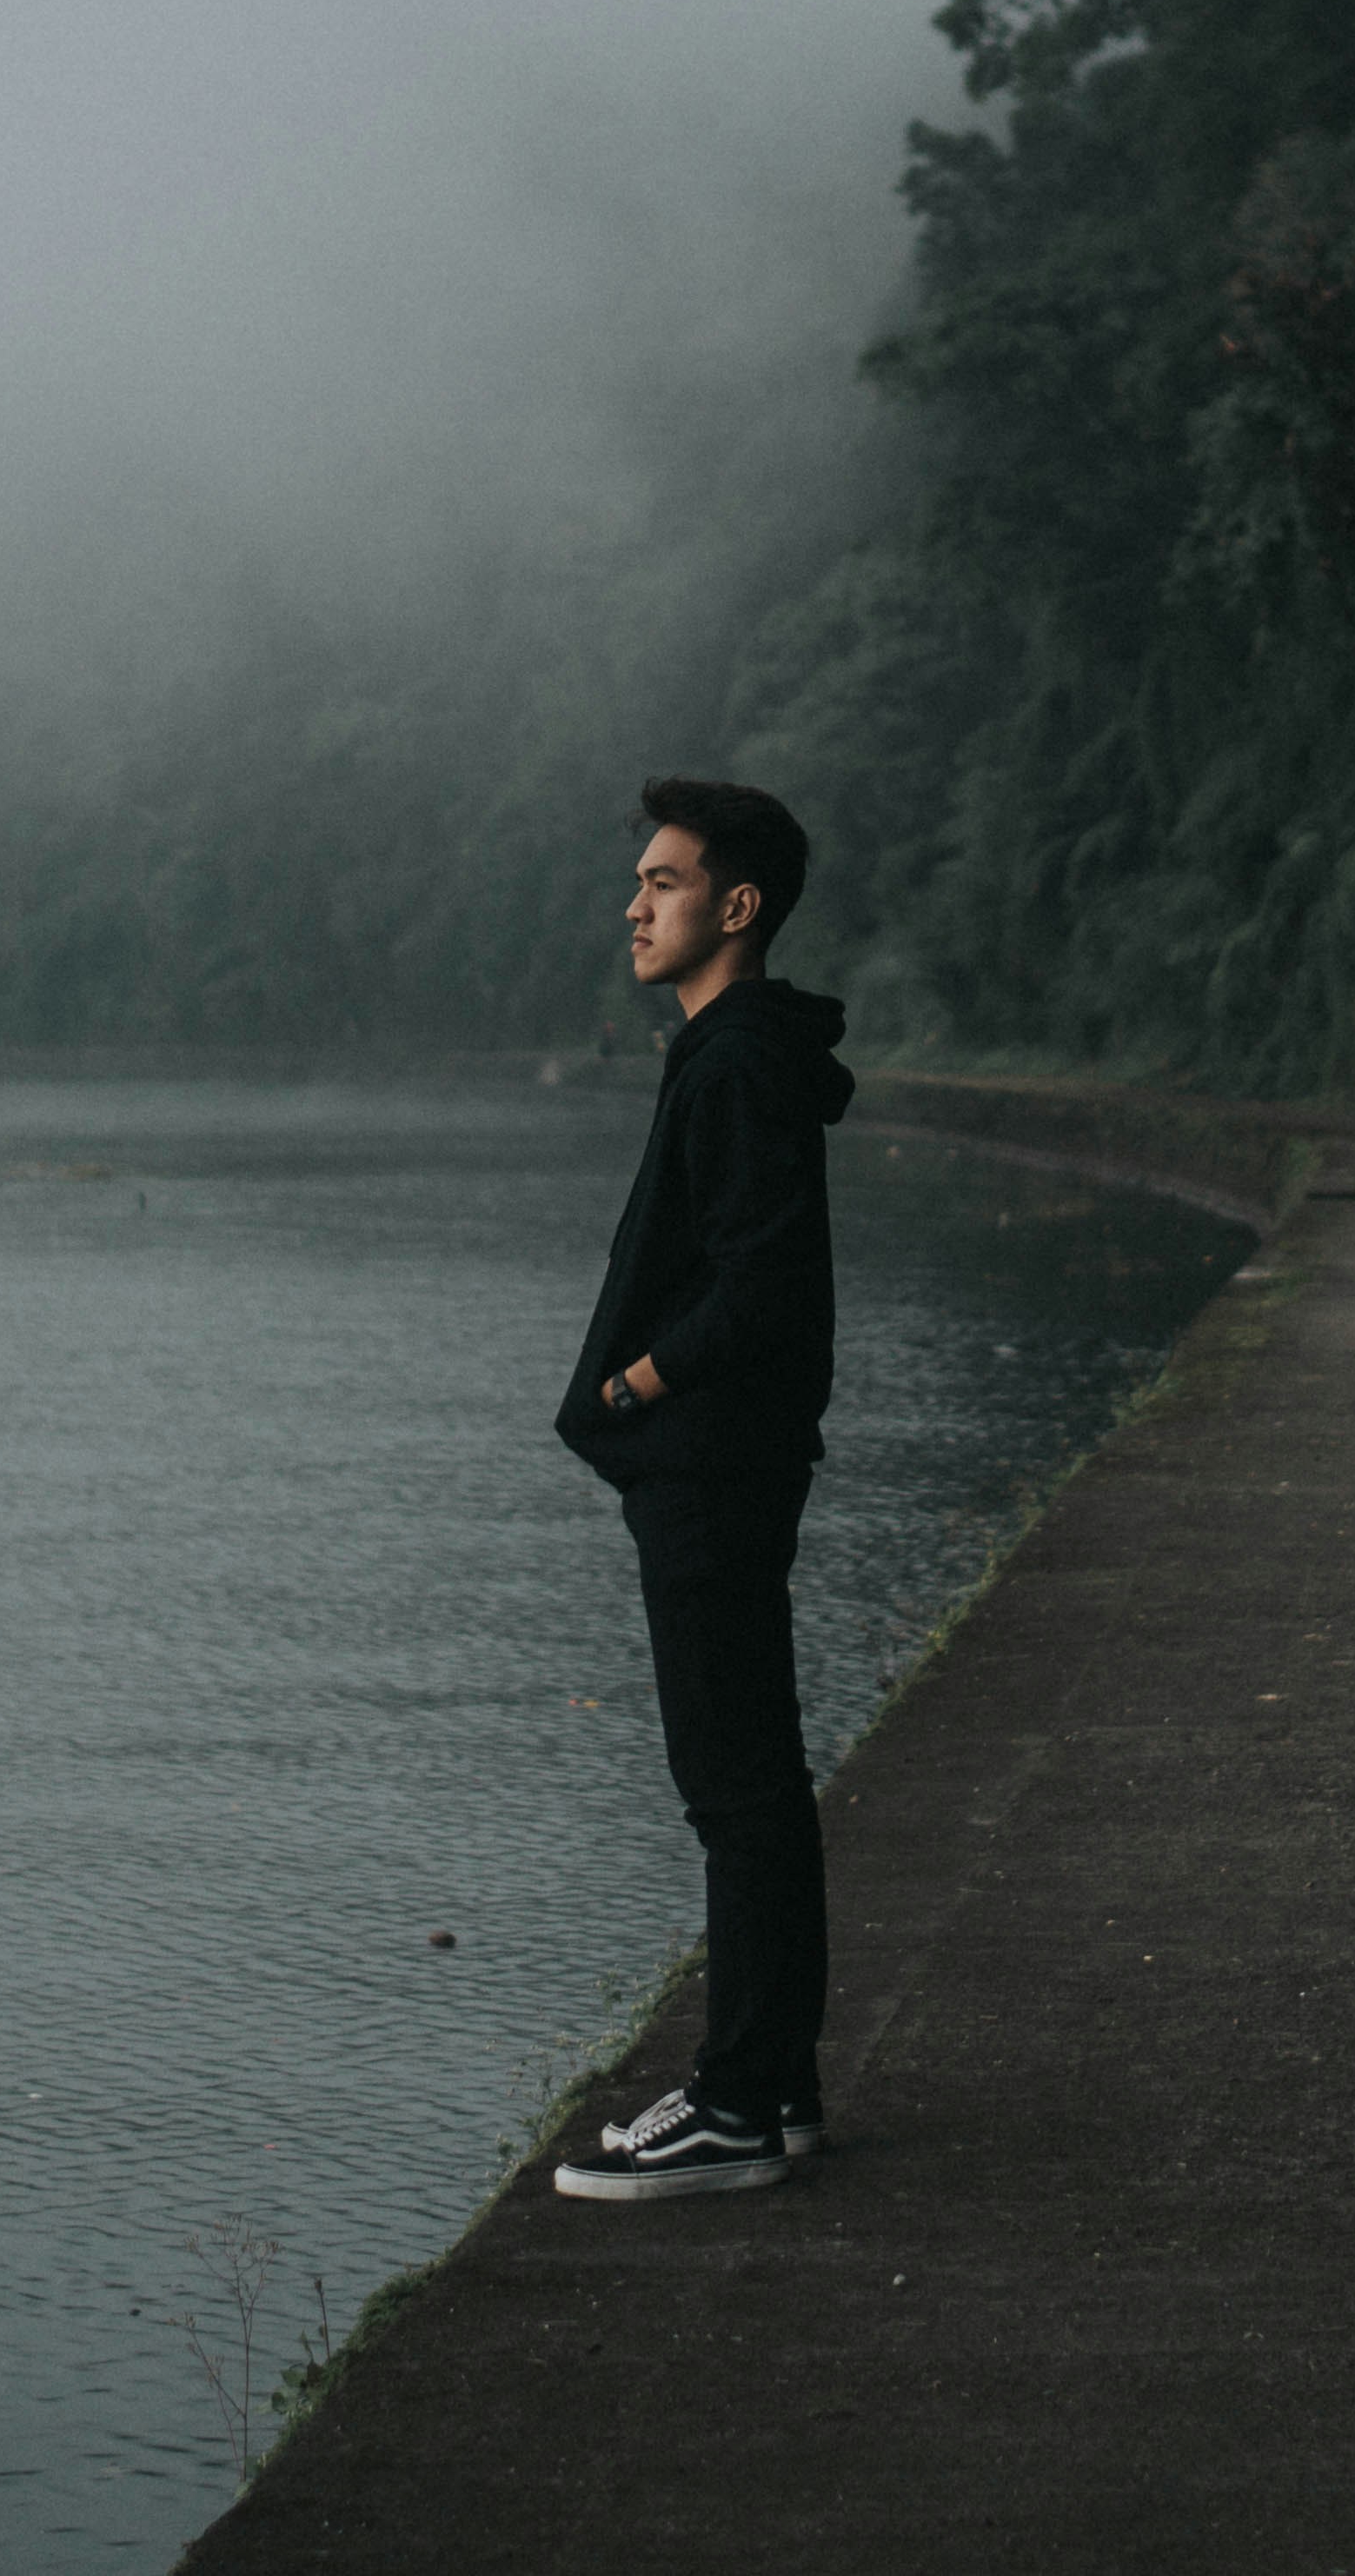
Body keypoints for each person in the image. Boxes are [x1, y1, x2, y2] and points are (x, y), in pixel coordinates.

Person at [548, 775, 851, 2203]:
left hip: (712, 1462)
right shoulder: (742, 1056)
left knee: (731, 1786)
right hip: (737, 1459)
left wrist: (640, 1382)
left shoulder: (733, 1065)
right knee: (757, 1783)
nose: (635, 903)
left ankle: (734, 2104)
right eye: (641, 880)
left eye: (662, 882)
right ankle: (776, 2089)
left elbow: (762, 1280)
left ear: (736, 907)